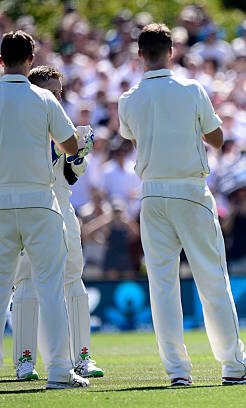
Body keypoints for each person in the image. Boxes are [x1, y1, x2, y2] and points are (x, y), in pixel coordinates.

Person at [118, 23, 246, 386]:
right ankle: (233, 366)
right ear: (172, 52)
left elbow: (131, 134)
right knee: (213, 278)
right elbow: (217, 139)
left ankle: (177, 372)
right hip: (188, 190)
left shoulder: (129, 98)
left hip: (152, 194)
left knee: (162, 285)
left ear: (140, 55)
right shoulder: (191, 89)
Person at [0, 30, 89, 389]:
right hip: (39, 201)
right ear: (31, 60)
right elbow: (70, 145)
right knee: (51, 288)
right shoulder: (43, 98)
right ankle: (59, 372)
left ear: (2, 60)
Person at [12, 65, 103, 382]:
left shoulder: (63, 125)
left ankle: (81, 357)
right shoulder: (21, 123)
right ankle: (25, 360)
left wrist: (79, 156)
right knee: (25, 282)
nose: (56, 99)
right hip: (28, 206)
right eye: (50, 93)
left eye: (58, 93)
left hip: (61, 208)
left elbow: (68, 177)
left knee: (72, 278)